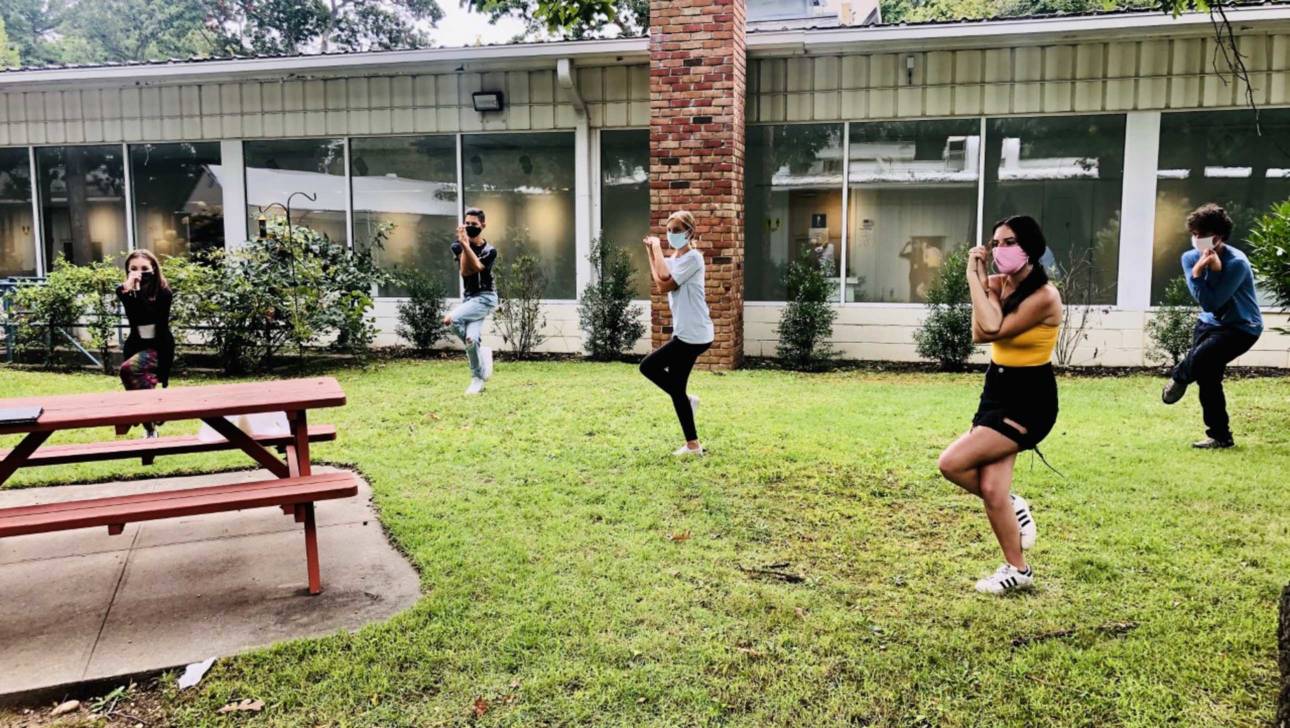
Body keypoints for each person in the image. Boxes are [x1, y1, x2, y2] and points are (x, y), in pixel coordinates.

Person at [937, 216, 1062, 595]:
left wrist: (973, 279)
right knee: (991, 488)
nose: (998, 250)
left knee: (952, 463)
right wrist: (983, 286)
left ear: (1029, 247)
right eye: (994, 243)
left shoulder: (1044, 296)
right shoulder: (998, 285)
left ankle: (1013, 504)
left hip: (1030, 397)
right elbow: (980, 331)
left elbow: (991, 327)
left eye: (1008, 242)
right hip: (997, 388)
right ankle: (1018, 569)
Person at [1161, 203, 1263, 448]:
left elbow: (1213, 302)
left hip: (1241, 327)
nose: (1195, 240)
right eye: (1193, 234)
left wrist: (1210, 272)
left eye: (1200, 235)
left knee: (1203, 358)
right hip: (1208, 324)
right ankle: (1220, 436)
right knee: (1208, 378)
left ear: (1217, 238)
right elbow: (1205, 304)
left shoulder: (1237, 262)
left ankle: (1179, 377)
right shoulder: (1189, 258)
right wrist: (1198, 270)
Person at [639, 210, 715, 457]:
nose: (672, 235)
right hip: (687, 333)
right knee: (677, 386)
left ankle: (686, 400)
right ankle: (693, 444)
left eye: (677, 230)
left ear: (690, 233)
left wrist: (657, 248)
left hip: (694, 335)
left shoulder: (694, 258)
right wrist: (652, 253)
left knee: (648, 367)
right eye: (669, 230)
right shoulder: (676, 261)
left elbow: (664, 278)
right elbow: (661, 283)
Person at [117, 249, 174, 438]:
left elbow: (151, 316)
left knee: (127, 370)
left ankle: (138, 415)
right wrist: (128, 291)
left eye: (144, 268)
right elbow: (135, 317)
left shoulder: (164, 292)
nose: (138, 273)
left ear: (154, 269)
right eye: (133, 268)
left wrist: (136, 292)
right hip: (136, 344)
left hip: (159, 346)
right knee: (135, 381)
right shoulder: (125, 291)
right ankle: (151, 425)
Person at [442, 207, 498, 396]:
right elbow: (465, 270)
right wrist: (464, 245)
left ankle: (479, 367)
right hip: (469, 298)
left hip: (485, 298)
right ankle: (478, 378)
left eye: (474, 224)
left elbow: (476, 268)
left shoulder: (490, 250)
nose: (470, 227)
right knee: (470, 339)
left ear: (483, 225)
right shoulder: (457, 246)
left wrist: (466, 244)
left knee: (450, 319)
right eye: (467, 224)